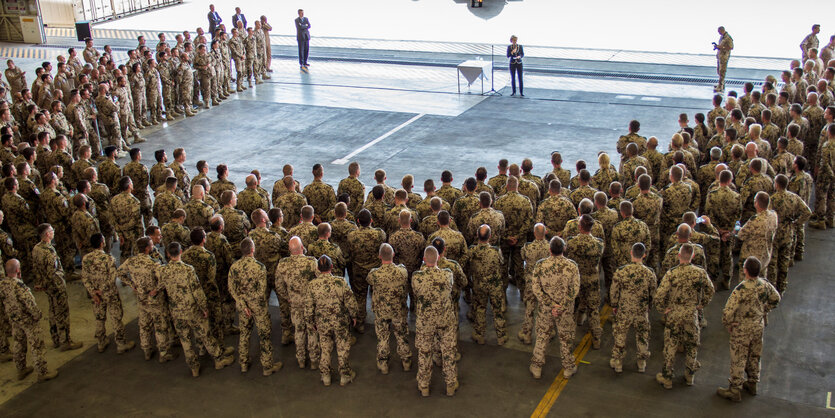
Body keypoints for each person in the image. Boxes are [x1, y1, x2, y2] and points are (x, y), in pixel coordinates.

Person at [717, 257, 781, 402]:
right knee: (754, 354)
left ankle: (734, 390)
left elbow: (727, 312)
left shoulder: (741, 288)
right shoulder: (764, 285)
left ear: (745, 270)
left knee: (738, 357)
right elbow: (776, 298)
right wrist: (764, 310)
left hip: (742, 328)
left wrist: (729, 324)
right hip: (758, 326)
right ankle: (752, 382)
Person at [654, 244, 715, 389]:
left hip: (674, 313)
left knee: (671, 345)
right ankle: (689, 375)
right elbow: (710, 290)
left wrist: (663, 309)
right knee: (692, 344)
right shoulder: (699, 273)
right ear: (692, 256)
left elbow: (659, 295)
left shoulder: (671, 273)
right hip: (691, 313)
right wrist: (701, 304)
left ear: (678, 256)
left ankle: (667, 377)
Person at [228, 238, 282, 376]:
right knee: (264, 335)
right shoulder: (259, 267)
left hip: (242, 307)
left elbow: (231, 289)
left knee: (244, 334)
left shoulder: (234, 267)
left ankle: (244, 363)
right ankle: (267, 366)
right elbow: (261, 290)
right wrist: (252, 303)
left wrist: (242, 303)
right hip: (258, 306)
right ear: (253, 250)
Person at [529, 236, 579, 380]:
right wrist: (561, 305)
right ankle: (568, 368)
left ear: (549, 250)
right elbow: (574, 289)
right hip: (566, 310)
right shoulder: (571, 266)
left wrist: (550, 304)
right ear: (564, 249)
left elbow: (536, 288)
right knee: (566, 338)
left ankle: (537, 367)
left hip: (546, 309)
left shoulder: (540, 265)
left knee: (542, 336)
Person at [0, 259, 58, 382]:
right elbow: (30, 304)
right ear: (17, 270)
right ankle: (42, 372)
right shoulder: (20, 286)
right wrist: (37, 315)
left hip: (14, 319)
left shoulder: (3, 284)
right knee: (36, 345)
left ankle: (21, 369)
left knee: (18, 342)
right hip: (27, 319)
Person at [305, 255, 359, 387]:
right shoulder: (340, 282)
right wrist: (354, 316)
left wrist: (310, 322)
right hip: (340, 321)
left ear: (318, 268)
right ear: (332, 267)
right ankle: (344, 375)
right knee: (342, 347)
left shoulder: (312, 285)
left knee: (325, 347)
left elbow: (308, 307)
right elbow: (350, 302)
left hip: (322, 323)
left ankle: (325, 376)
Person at [713, 26, 734, 93]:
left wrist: (722, 47)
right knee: (719, 71)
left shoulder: (728, 38)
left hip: (724, 57)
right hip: (720, 56)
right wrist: (717, 47)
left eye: (719, 31)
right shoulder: (722, 37)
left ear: (722, 30)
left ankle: (721, 86)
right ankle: (721, 84)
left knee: (722, 71)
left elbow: (731, 47)